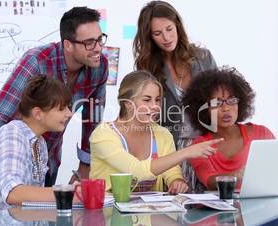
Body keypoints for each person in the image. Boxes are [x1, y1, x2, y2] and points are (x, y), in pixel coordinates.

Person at [0, 7, 108, 185]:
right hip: (11, 156)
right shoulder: (37, 61)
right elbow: (2, 113)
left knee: (40, 209)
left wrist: (85, 167)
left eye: (100, 40)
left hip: (48, 156)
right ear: (68, 45)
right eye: (90, 43)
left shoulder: (100, 67)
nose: (98, 48)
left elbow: (93, 119)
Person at [0, 76, 80, 219]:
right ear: (38, 113)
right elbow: (14, 193)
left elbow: (29, 202)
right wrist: (69, 194)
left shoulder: (39, 143)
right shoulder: (12, 134)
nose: (69, 113)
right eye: (62, 109)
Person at [89, 70, 222, 194]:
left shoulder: (162, 134)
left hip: (148, 215)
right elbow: (137, 171)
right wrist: (186, 152)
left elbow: (171, 171)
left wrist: (176, 181)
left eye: (157, 100)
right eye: (147, 100)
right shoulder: (103, 135)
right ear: (127, 103)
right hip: (106, 215)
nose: (155, 106)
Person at [133, 0, 218, 191]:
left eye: (169, 29)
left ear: (177, 25)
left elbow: (218, 101)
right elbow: (147, 115)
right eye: (157, 33)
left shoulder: (203, 57)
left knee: (208, 208)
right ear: (149, 37)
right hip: (169, 149)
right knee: (174, 208)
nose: (166, 37)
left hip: (205, 145)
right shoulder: (147, 67)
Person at [182, 67, 275, 191]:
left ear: (240, 103)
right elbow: (209, 181)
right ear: (204, 109)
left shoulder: (262, 134)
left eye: (231, 100)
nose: (225, 108)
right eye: (217, 103)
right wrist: (234, 176)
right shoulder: (200, 145)